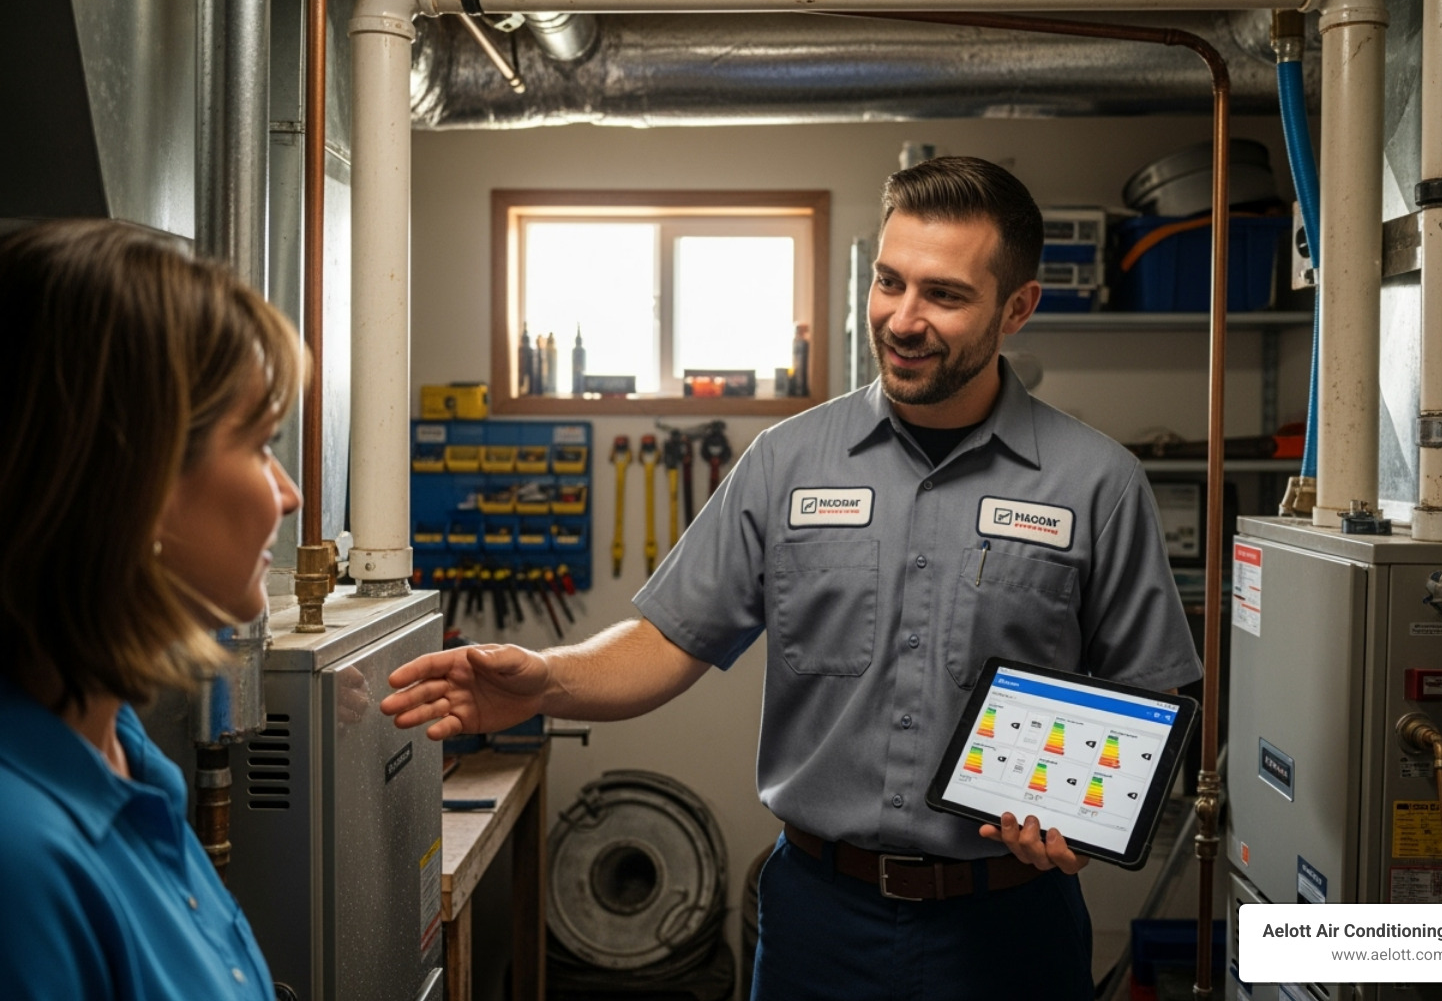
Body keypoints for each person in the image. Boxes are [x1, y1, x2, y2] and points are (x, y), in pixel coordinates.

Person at [381, 156, 1201, 999]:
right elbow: (669, 639)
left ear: (1017, 308)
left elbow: (1150, 697)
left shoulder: (1095, 481)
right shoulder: (787, 461)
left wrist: (1081, 823)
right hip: (821, 923)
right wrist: (546, 680)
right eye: (890, 282)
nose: (903, 319)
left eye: (944, 295)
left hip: (1011, 930)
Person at [0, 220, 303, 999]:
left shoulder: (124, 751)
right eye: (262, 445)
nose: (290, 495)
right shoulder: (22, 864)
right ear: (137, 481)